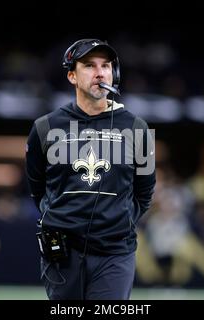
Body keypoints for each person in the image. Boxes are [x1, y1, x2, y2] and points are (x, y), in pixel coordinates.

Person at [26, 38, 156, 300]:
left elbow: (144, 192)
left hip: (115, 253)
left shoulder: (137, 129)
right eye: (89, 65)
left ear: (113, 73)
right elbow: (36, 187)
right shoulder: (45, 128)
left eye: (106, 66)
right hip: (62, 254)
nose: (100, 72)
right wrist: (60, 221)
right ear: (72, 75)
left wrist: (120, 222)